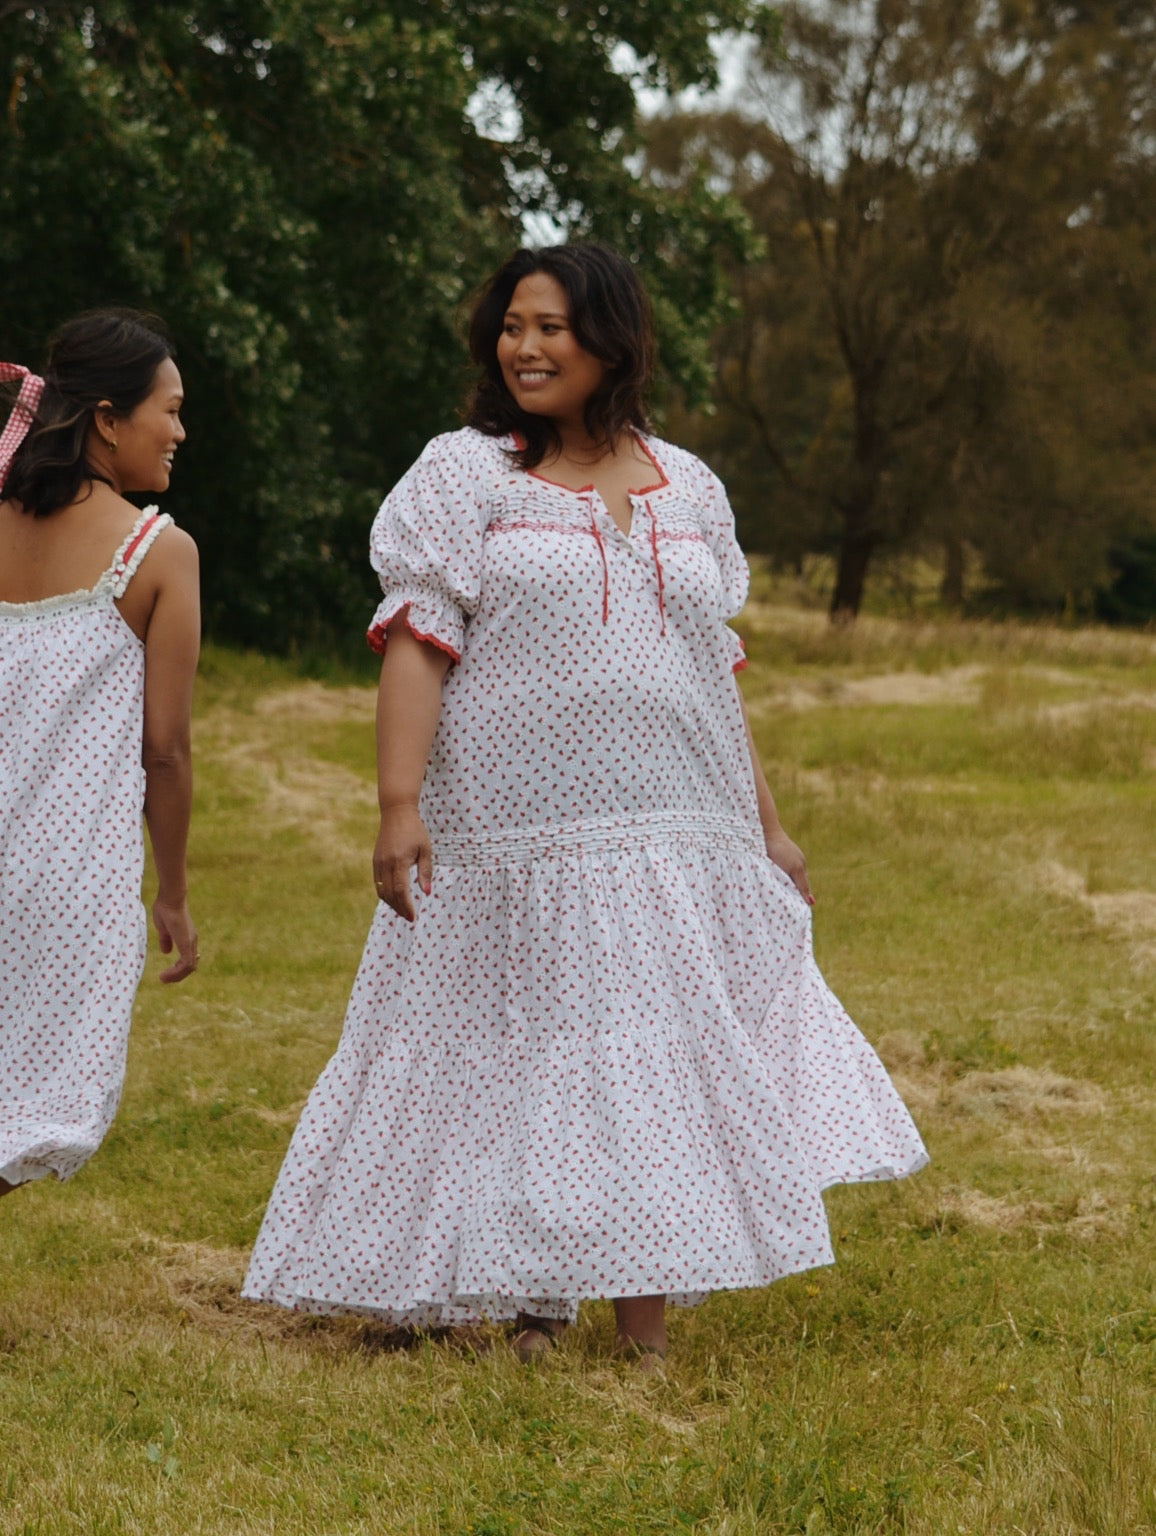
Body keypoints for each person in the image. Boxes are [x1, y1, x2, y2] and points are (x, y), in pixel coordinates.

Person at [242, 243, 927, 1364]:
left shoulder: (690, 485)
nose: (524, 347)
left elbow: (710, 671)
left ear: (612, 340)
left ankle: (639, 1333)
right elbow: (418, 641)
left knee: (644, 1062)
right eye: (512, 327)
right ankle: (508, 1288)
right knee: (514, 1056)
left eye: (550, 328)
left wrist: (765, 825)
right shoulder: (464, 475)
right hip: (511, 836)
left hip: (674, 831)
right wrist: (398, 803)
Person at [0, 309, 201, 1196]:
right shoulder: (160, 554)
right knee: (41, 1108)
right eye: (172, 410)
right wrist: (174, 891)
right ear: (109, 420)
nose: (181, 432)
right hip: (67, 882)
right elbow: (166, 751)